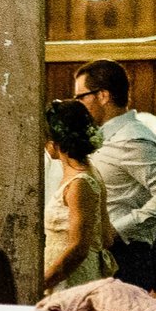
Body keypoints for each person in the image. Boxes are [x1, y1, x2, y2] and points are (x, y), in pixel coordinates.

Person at [73, 60, 156, 296]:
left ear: (103, 96)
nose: (79, 104)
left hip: (124, 256)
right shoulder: (104, 137)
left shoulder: (133, 139)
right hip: (103, 253)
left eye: (81, 97)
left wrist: (119, 230)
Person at [44, 99, 119, 294]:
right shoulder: (86, 174)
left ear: (55, 142)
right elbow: (107, 236)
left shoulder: (80, 183)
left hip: (70, 278)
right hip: (65, 271)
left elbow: (78, 247)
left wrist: (44, 282)